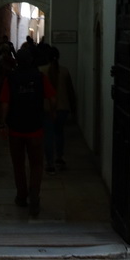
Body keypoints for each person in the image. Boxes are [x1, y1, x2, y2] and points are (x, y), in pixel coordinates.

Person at [0, 47, 56, 217]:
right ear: (31, 61)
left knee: (18, 164)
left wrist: (2, 122)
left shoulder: (11, 79)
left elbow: (4, 103)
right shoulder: (40, 77)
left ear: (17, 61)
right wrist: (52, 113)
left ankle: (22, 196)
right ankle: (34, 195)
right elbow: (52, 98)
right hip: (35, 128)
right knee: (37, 164)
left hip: (15, 128)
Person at [40, 46, 77, 174]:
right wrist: (74, 108)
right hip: (62, 108)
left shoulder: (41, 71)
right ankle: (59, 158)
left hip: (46, 108)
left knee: (48, 136)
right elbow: (70, 92)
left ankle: (49, 163)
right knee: (59, 133)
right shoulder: (64, 71)